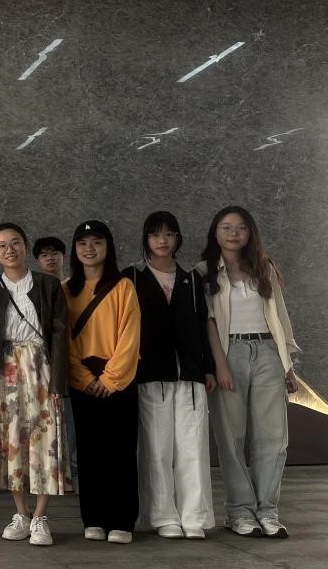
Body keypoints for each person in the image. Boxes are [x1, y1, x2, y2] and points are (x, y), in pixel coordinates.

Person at [198, 206, 299, 538]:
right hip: (230, 353)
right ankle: (240, 511)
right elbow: (208, 322)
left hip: (268, 352)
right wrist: (220, 365)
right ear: (215, 232)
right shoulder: (204, 272)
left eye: (241, 227)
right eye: (226, 227)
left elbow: (280, 317)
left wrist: (287, 366)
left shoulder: (263, 267)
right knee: (232, 438)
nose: (233, 233)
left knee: (273, 438)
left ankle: (267, 510)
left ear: (250, 232)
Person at [125, 212, 215, 540]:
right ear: (146, 239)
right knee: (156, 448)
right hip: (150, 374)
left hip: (190, 375)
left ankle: (194, 517)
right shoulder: (132, 277)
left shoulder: (192, 279)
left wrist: (208, 367)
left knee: (193, 447)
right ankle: (163, 516)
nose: (162, 241)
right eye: (155, 235)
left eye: (169, 234)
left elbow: (203, 327)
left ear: (177, 238)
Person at [0, 223, 68, 547]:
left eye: (15, 243)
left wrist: (58, 381)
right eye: (2, 245)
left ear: (25, 247)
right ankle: (21, 513)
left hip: (40, 366)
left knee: (44, 438)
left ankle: (41, 517)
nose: (9, 250)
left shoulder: (47, 284)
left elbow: (60, 335)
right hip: (4, 370)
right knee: (11, 440)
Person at [65, 220, 141, 544]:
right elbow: (63, 341)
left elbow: (130, 337)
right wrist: (83, 378)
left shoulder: (123, 287)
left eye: (97, 242)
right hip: (82, 382)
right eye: (83, 243)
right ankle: (93, 518)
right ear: (75, 250)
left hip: (119, 382)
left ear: (108, 247)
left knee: (120, 451)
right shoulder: (66, 290)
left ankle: (122, 520)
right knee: (89, 452)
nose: (89, 249)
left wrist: (110, 379)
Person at [33, 235, 76, 489]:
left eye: (55, 254)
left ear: (64, 256)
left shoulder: (74, 287)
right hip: (45, 364)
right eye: (44, 255)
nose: (50, 259)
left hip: (75, 362)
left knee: (71, 419)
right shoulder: (37, 290)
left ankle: (72, 470)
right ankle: (54, 470)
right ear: (37, 261)